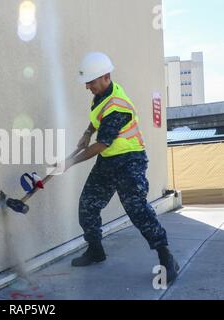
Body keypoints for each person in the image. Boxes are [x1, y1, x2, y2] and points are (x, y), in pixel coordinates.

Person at [63, 52, 180, 284]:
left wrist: (70, 163)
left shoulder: (118, 106)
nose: (87, 86)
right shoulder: (102, 95)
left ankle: (166, 258)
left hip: (129, 161)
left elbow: (102, 143)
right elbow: (97, 119)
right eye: (86, 82)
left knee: (137, 209)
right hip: (108, 160)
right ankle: (96, 251)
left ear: (106, 77)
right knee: (88, 205)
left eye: (91, 82)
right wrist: (87, 132)